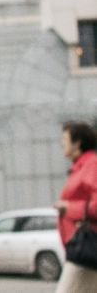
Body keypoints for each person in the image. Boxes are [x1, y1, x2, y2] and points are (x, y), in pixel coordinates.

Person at [54, 121, 97, 292]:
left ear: (77, 143)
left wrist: (68, 208)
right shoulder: (80, 167)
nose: (61, 143)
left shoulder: (91, 165)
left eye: (64, 138)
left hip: (86, 247)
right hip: (82, 247)